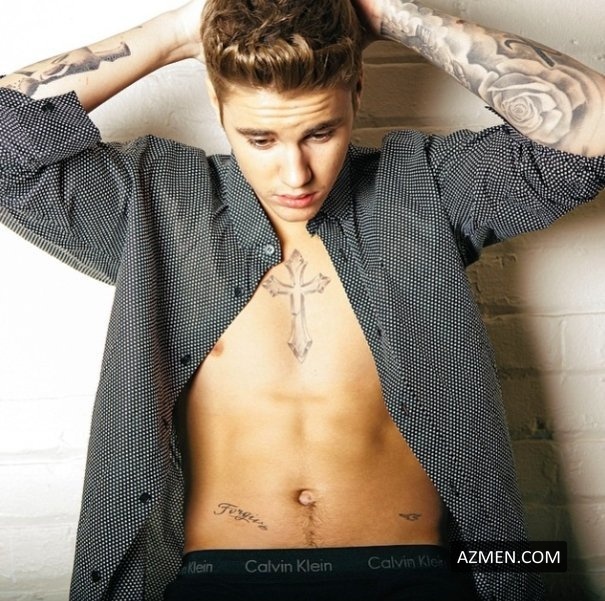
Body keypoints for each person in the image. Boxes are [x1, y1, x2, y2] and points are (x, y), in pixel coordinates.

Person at [0, 0, 604, 599]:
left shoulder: (424, 187)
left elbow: (592, 137)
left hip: (417, 575)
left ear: (357, 90)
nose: (295, 175)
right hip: (217, 583)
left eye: (320, 132)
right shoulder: (155, 200)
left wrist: (386, 17)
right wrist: (181, 30)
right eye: (260, 138)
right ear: (216, 101)